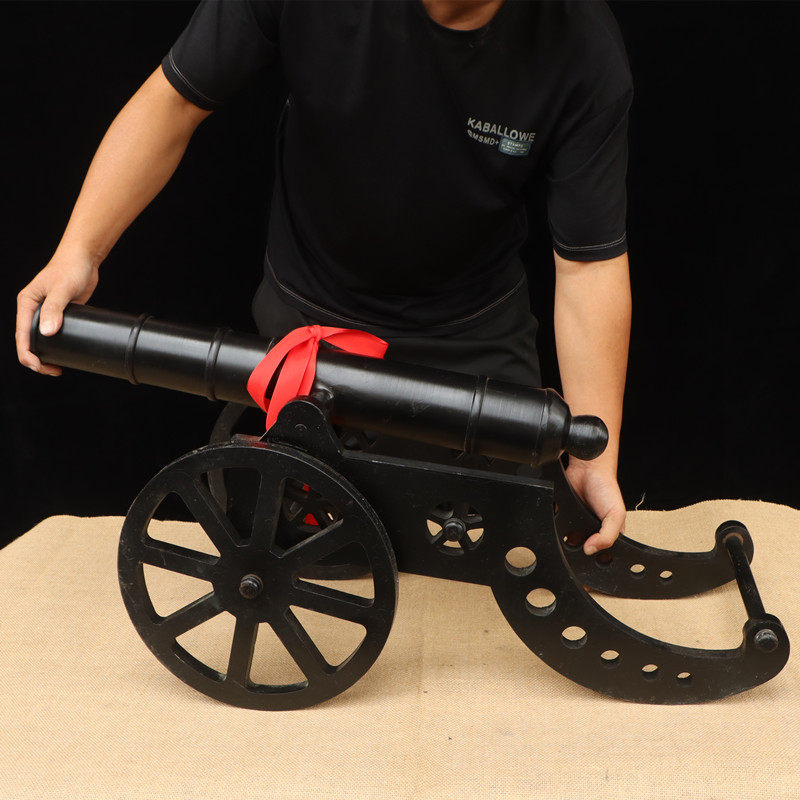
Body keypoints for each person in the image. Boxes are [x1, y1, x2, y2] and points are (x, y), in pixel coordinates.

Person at [15, 0, 631, 556]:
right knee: (291, 547)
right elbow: (174, 101)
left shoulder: (582, 43)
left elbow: (587, 262)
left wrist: (594, 456)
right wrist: (78, 252)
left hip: (472, 342)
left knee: (506, 545)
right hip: (309, 326)